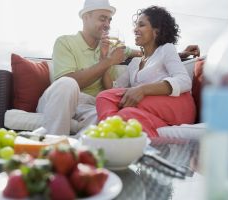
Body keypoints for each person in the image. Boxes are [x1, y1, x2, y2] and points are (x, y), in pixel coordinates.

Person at [36, 0, 199, 136]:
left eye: (109, 20)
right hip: (60, 98)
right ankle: (53, 149)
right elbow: (69, 81)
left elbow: (152, 52)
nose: (107, 24)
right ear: (86, 17)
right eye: (102, 19)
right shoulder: (65, 42)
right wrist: (107, 62)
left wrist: (182, 54)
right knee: (67, 84)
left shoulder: (115, 48)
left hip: (89, 105)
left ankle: (80, 155)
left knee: (109, 119)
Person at [96, 6, 196, 138]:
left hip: (178, 107)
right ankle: (135, 146)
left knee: (103, 97)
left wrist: (142, 89)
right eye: (136, 25)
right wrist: (104, 60)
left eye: (141, 25)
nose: (135, 29)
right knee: (127, 115)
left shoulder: (166, 49)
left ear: (157, 31)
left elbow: (184, 81)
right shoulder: (135, 63)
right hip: (155, 112)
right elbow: (114, 88)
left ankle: (106, 135)